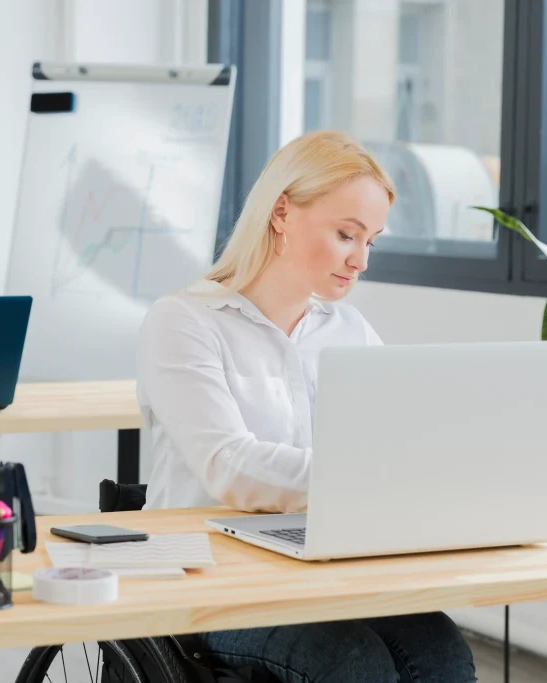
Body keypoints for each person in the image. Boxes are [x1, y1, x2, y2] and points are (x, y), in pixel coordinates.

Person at [136, 131, 477, 682]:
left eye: (372, 241)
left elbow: (397, 446)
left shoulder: (350, 331)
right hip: (206, 577)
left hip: (316, 566)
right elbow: (228, 465)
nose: (361, 260)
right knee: (350, 661)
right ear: (281, 213)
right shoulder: (184, 321)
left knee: (440, 649)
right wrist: (364, 476)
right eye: (347, 234)